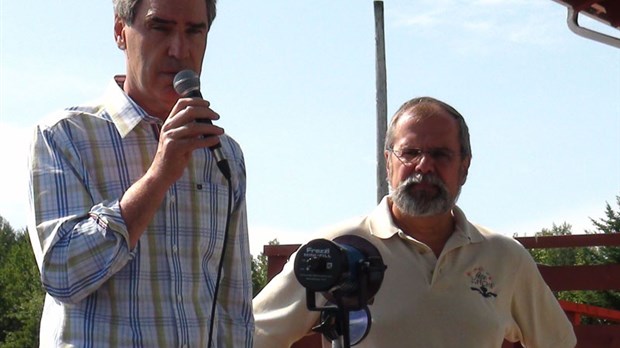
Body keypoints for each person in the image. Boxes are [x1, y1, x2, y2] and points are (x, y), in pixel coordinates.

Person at [253, 97, 577, 347]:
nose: (424, 166)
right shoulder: (335, 248)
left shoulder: (505, 258)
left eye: (440, 154)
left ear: (464, 166)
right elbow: (251, 335)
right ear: (388, 163)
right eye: (410, 153)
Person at [27, 0, 254, 346]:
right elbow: (63, 274)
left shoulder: (222, 154)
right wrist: (158, 176)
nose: (179, 50)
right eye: (160, 27)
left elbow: (234, 309)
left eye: (194, 31)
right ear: (120, 31)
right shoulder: (64, 136)